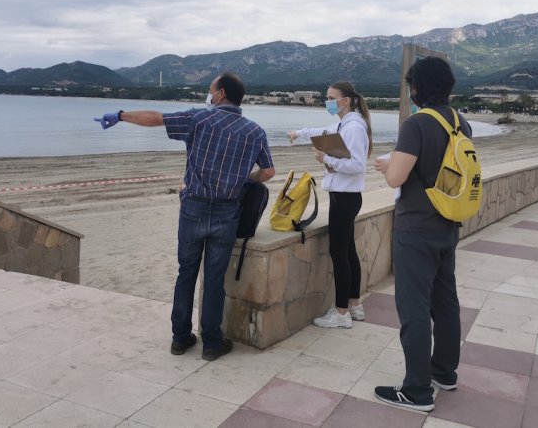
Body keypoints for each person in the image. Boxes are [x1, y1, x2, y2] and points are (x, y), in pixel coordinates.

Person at [94, 72, 275, 361]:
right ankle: (212, 343)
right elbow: (267, 173)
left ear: (221, 94)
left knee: (186, 272)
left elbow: (155, 119)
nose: (208, 93)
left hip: (194, 208)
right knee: (215, 278)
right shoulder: (255, 131)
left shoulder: (199, 119)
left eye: (210, 89)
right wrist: (244, 180)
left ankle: (180, 339)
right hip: (228, 211)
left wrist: (120, 115)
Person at [373, 56, 469, 412]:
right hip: (448, 222)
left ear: (417, 87)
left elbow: (396, 178)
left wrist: (387, 165)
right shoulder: (461, 122)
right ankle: (444, 372)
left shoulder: (416, 123)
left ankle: (416, 391)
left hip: (416, 227)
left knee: (413, 307)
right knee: (445, 302)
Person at [288, 81, 371, 329]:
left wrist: (327, 159)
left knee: (340, 253)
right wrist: (298, 133)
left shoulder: (354, 128)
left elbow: (358, 166)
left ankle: (341, 312)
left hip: (345, 197)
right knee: (348, 251)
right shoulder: (344, 123)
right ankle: (354, 305)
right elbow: (321, 131)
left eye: (331, 97)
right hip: (344, 197)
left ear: (345, 100)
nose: (328, 101)